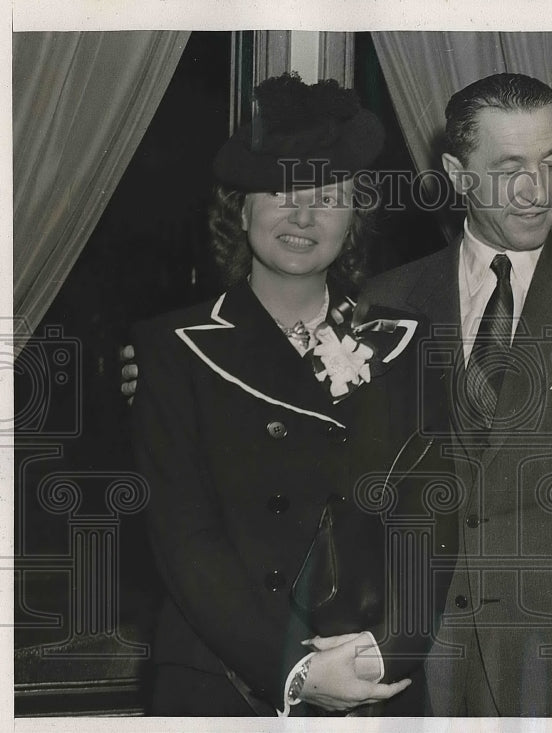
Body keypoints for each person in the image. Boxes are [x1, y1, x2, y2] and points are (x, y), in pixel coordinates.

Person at [130, 73, 455, 717]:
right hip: (224, 678)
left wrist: (390, 651)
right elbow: (184, 539)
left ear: (353, 218)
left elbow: (430, 515)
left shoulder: (402, 341)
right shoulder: (171, 347)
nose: (304, 216)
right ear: (241, 208)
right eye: (281, 191)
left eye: (329, 196)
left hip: (368, 677)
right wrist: (296, 670)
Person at [359, 73, 552, 716]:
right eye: (510, 169)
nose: (539, 191)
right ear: (457, 172)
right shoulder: (381, 303)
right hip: (411, 648)